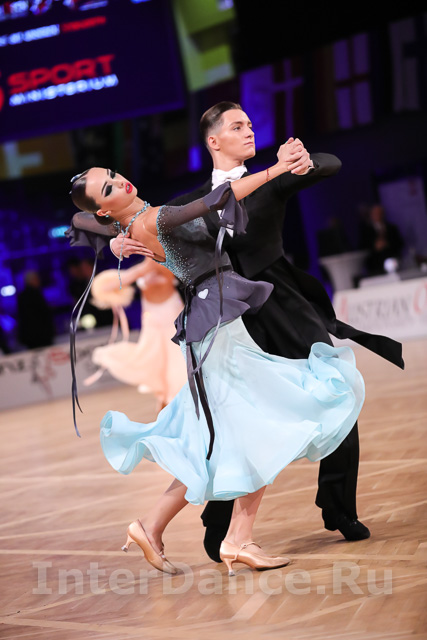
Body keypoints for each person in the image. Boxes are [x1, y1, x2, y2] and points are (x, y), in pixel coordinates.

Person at [111, 102, 404, 560]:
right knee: (233, 420)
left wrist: (302, 159)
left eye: (249, 124)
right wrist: (116, 239)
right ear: (214, 140)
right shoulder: (191, 201)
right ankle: (221, 526)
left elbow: (331, 164)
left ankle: (338, 507)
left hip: (283, 304)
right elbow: (134, 218)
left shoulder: (270, 178)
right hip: (227, 317)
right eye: (237, 126)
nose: (249, 131)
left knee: (334, 389)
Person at [68, 153, 366, 577]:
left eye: (114, 175)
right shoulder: (152, 219)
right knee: (263, 427)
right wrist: (278, 169)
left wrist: (116, 237)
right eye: (109, 188)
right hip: (217, 326)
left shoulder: (134, 222)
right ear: (104, 207)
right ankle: (235, 539)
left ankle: (155, 527)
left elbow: (79, 221)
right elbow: (215, 199)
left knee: (219, 441)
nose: (121, 181)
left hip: (216, 319)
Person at [88, 260, 187, 412]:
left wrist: (147, 267)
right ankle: (165, 404)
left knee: (177, 364)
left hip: (172, 318)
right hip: (152, 322)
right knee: (154, 363)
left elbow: (168, 276)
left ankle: (175, 403)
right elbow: (105, 287)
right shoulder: (144, 265)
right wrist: (142, 269)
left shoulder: (166, 259)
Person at [359, 203, 404, 276]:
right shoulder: (366, 231)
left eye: (380, 213)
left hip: (393, 263)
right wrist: (374, 246)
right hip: (375, 267)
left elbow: (400, 243)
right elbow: (362, 247)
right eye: (375, 213)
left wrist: (387, 243)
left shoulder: (392, 228)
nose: (378, 215)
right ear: (371, 215)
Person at [17, 270, 55, 349]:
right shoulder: (35, 294)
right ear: (31, 280)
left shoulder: (22, 295)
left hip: (30, 336)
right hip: (40, 335)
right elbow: (43, 313)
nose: (39, 281)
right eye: (37, 279)